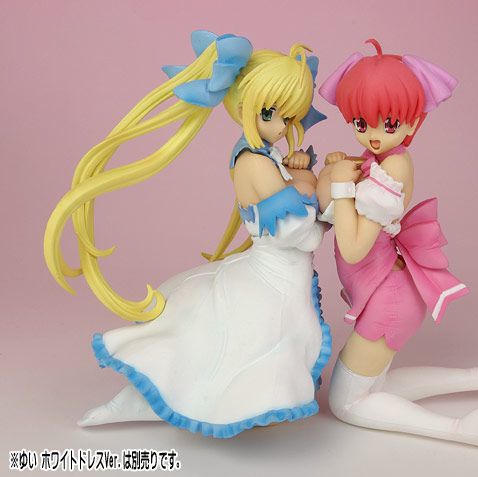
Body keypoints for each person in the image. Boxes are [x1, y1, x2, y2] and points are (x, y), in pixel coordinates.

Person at [43, 30, 331, 438]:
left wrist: (301, 179)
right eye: (271, 113)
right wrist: (309, 180)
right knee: (238, 348)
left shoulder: (265, 155)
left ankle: (155, 403)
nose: (283, 126)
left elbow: (301, 212)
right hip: (273, 274)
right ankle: (153, 403)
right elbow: (304, 233)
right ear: (244, 107)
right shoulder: (255, 163)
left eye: (289, 116)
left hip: (279, 274)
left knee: (241, 348)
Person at [316, 39, 478, 458]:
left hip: (388, 299)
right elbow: (336, 208)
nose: (373, 135)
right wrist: (338, 175)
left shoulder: (392, 168)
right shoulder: (378, 159)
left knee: (346, 403)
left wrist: (338, 184)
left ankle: (463, 429)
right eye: (361, 122)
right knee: (374, 386)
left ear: (412, 121)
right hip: (390, 290)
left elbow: (352, 247)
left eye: (389, 123)